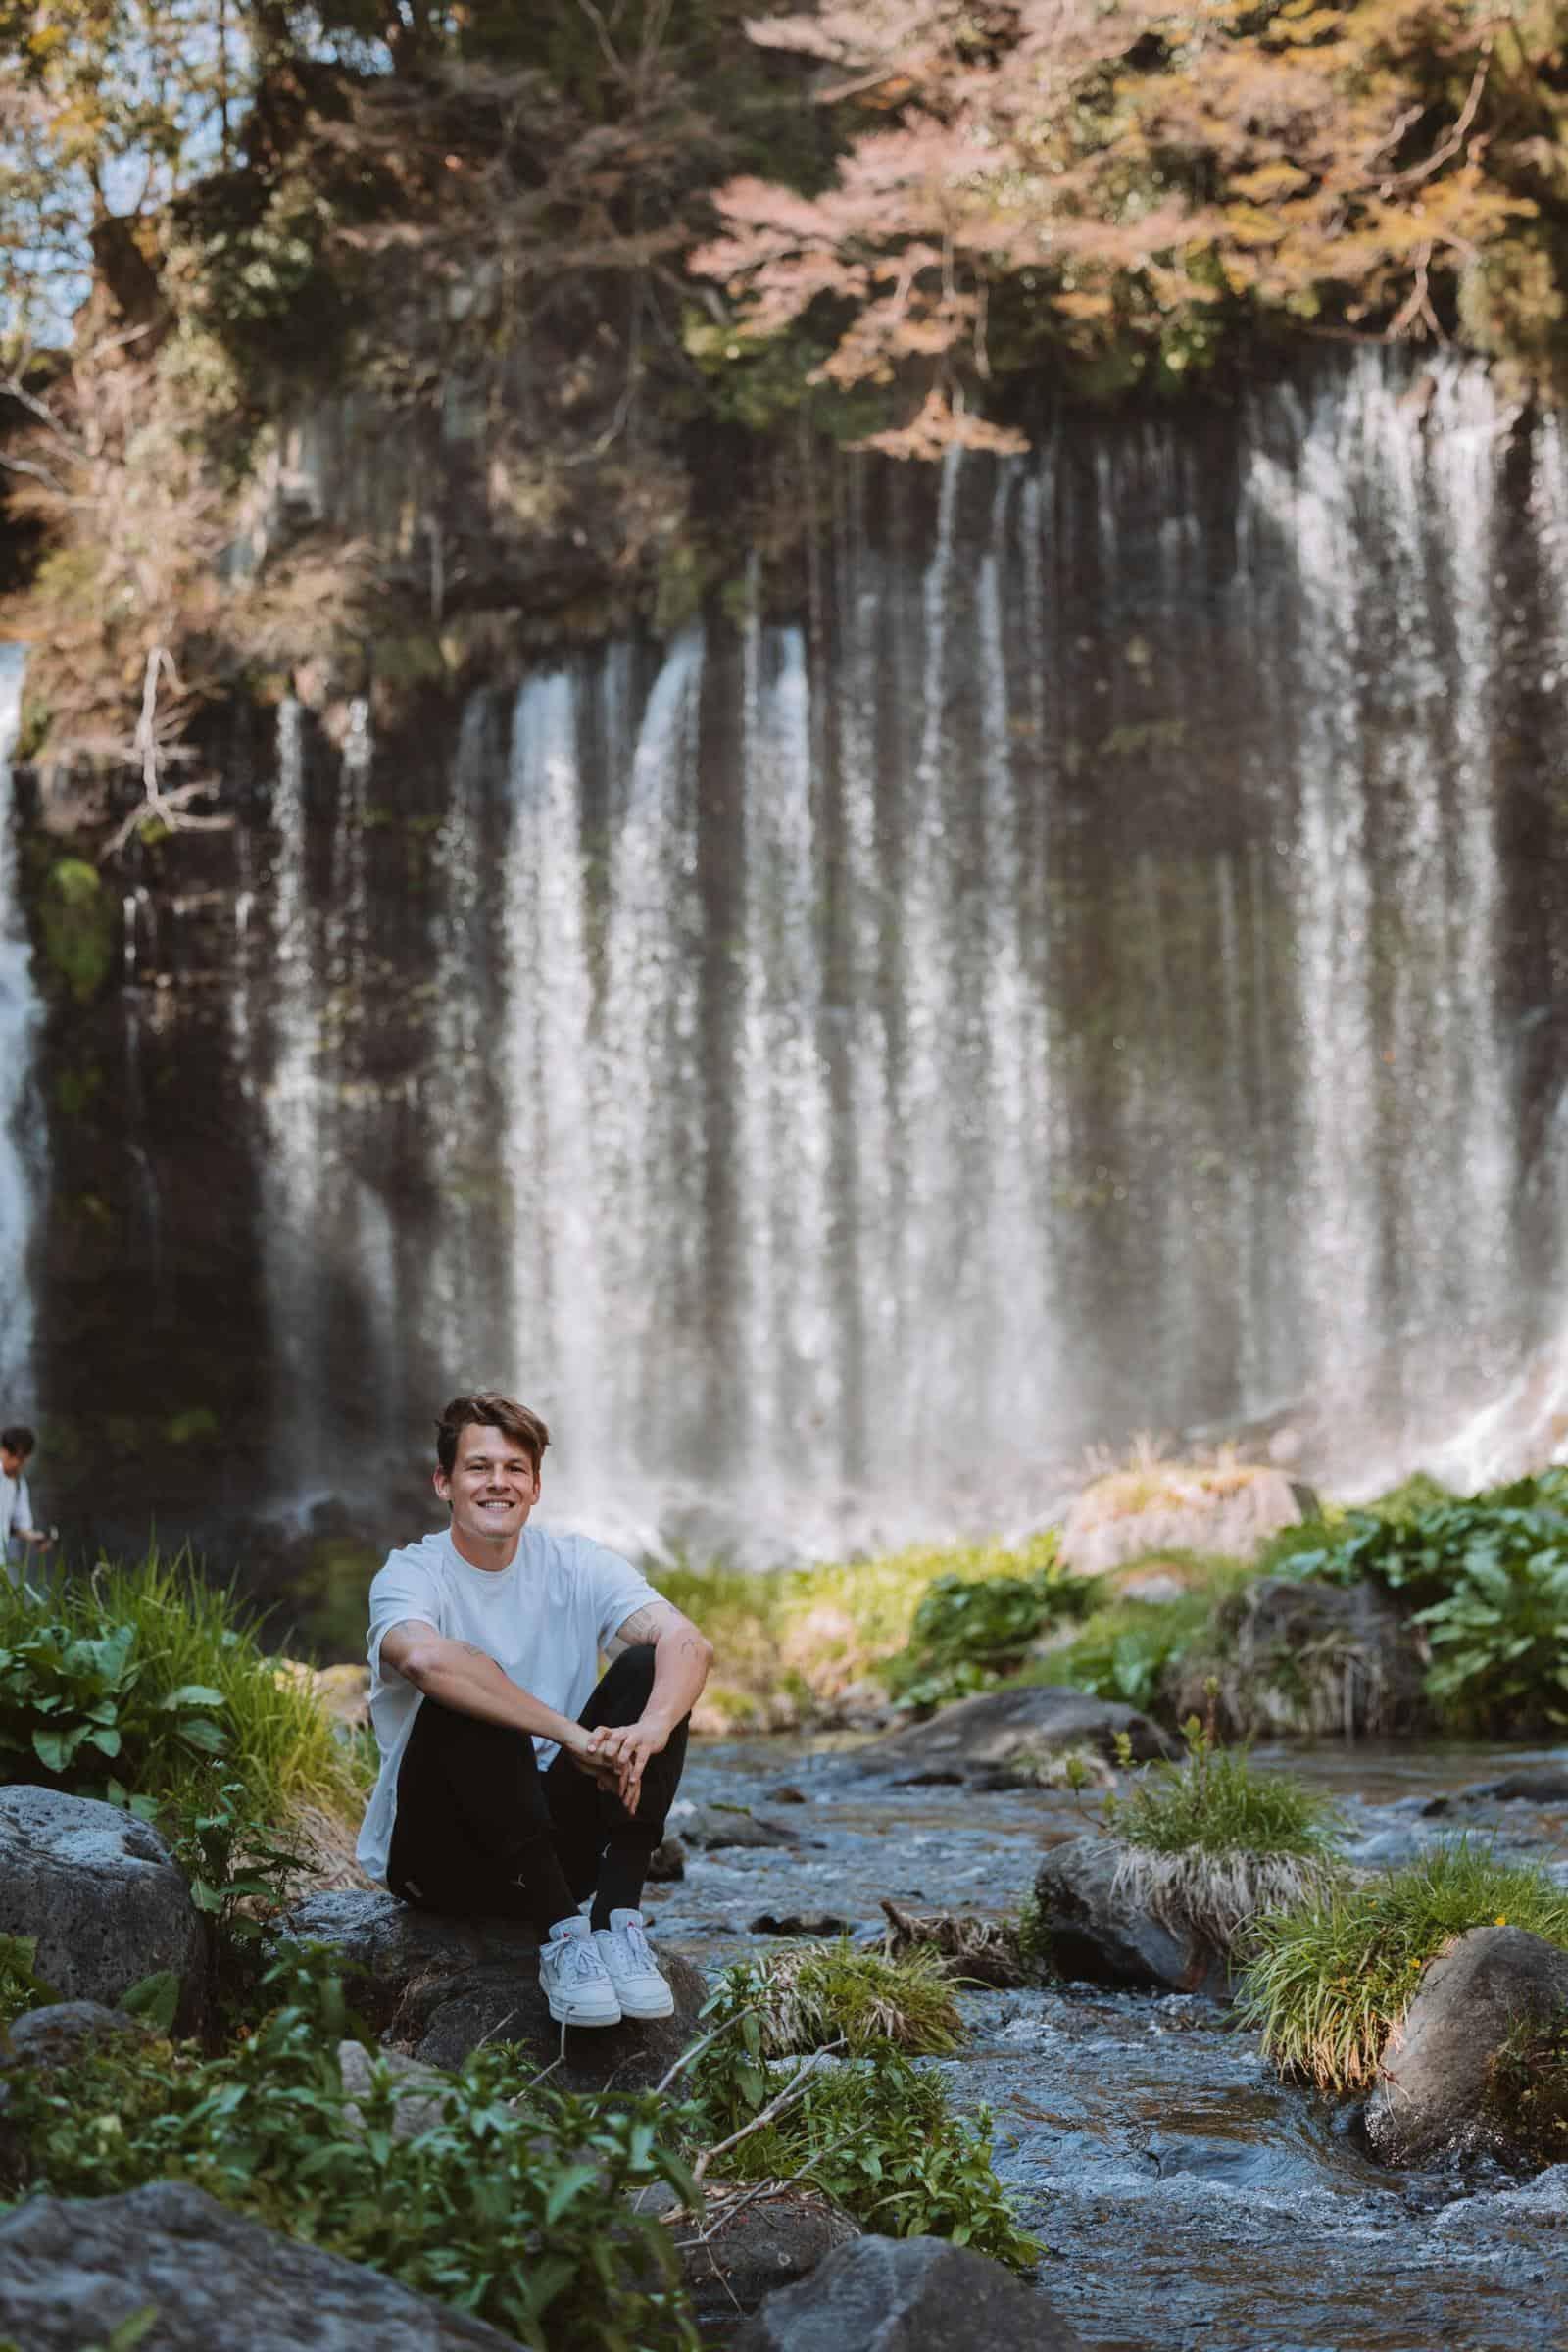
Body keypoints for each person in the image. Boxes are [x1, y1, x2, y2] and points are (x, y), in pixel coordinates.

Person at [358, 1392, 714, 2030]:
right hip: (437, 1859)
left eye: (515, 1468)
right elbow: (424, 1663)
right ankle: (563, 1936)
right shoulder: (409, 1575)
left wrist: (653, 1728)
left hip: (555, 1848)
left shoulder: (575, 1564)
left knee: (650, 1666)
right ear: (444, 1482)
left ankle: (616, 1920)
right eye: (479, 1466)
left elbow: (689, 1642)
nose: (498, 1482)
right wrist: (569, 1735)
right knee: (467, 1679)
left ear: (537, 1485)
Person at [1, 1425, 52, 1583]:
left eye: (21, 1458)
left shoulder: (19, 1485)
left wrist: (36, 1537)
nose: (16, 1462)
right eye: (13, 1455)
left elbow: (13, 1526)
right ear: (2, 1450)